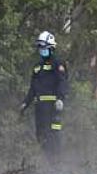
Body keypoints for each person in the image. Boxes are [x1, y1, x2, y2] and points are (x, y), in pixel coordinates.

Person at [21, 31, 68, 163]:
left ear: (51, 48)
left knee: (54, 135)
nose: (42, 51)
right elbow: (32, 88)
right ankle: (50, 161)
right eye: (40, 48)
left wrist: (60, 98)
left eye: (44, 48)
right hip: (40, 108)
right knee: (40, 135)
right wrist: (25, 103)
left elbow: (62, 82)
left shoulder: (58, 64)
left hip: (53, 107)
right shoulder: (37, 67)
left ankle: (57, 163)